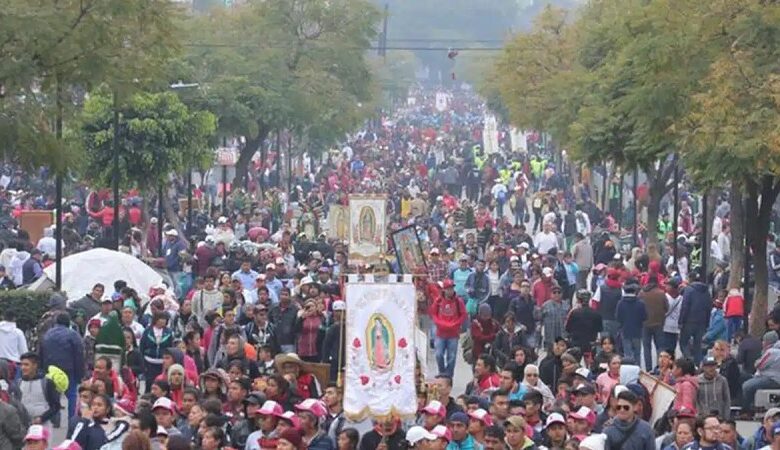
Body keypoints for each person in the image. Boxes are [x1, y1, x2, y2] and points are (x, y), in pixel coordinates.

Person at [40, 312, 85, 423]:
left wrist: (42, 370)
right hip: (68, 370)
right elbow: (79, 355)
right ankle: (72, 420)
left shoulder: (47, 334)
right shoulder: (73, 335)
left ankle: (55, 418)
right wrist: (80, 374)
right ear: (68, 322)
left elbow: (41, 352)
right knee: (72, 395)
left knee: (53, 395)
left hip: (51, 369)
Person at [429, 279, 467, 377]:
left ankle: (449, 376)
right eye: (448, 289)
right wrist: (440, 323)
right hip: (440, 333)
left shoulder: (459, 301)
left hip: (453, 334)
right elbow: (433, 314)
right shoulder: (438, 301)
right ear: (444, 290)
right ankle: (442, 373)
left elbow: (463, 315)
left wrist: (455, 324)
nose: (450, 291)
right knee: (438, 355)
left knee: (452, 357)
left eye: (451, 288)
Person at [740, 332, 780, 418]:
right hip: (772, 377)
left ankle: (746, 411)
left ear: (767, 341)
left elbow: (759, 365)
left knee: (747, 386)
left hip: (772, 379)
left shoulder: (772, 352)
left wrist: (757, 362)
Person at [678, 271, 712, 365]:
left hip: (689, 321)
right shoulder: (706, 291)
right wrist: (707, 323)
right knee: (698, 346)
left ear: (689, 279)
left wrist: (681, 321)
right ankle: (698, 364)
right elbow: (709, 307)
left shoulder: (689, 290)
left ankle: (689, 362)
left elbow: (685, 306)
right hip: (701, 322)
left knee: (683, 343)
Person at [19, 352, 60, 429]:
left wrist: (42, 418)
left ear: (35, 365)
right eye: (21, 365)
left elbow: (55, 406)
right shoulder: (18, 383)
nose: (23, 368)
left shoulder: (47, 383)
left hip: (42, 426)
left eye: (26, 365)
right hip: (23, 426)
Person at [639, 275, 667, 371]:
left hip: (645, 323)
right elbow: (666, 307)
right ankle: (660, 367)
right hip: (658, 323)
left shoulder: (642, 293)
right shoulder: (661, 293)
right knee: (660, 346)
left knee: (647, 347)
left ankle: (648, 369)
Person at [616, 278, 646, 364]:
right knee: (637, 353)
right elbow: (644, 317)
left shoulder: (620, 303)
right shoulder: (641, 303)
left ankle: (628, 368)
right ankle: (637, 369)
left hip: (625, 331)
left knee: (627, 353)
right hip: (637, 331)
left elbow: (618, 317)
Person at [565, 289, 603, 356]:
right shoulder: (596, 314)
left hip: (576, 343)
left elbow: (568, 328)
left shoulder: (574, 313)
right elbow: (600, 328)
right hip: (590, 343)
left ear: (578, 300)